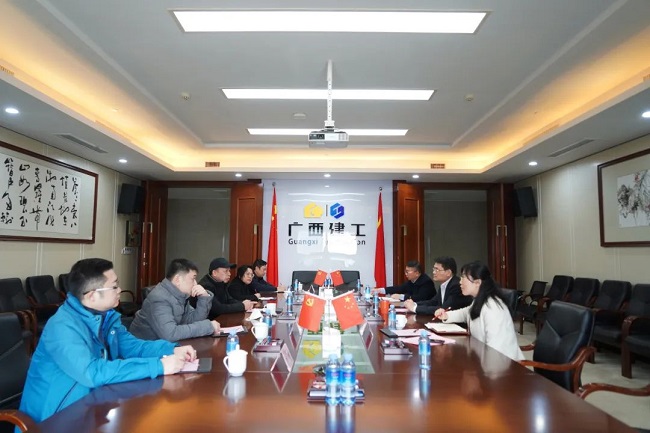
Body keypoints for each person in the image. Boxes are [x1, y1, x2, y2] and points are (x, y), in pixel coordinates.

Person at [19, 258, 196, 423]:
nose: (119, 290)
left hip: (92, 406)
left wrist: (171, 349)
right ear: (92, 296)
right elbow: (92, 372)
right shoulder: (62, 327)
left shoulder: (106, 316)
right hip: (53, 419)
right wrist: (158, 366)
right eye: (114, 286)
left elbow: (133, 347)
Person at [434, 261, 524, 360]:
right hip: (480, 357)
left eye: (463, 277)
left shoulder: (493, 308)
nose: (460, 282)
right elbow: (466, 313)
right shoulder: (480, 299)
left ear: (477, 282)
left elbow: (496, 351)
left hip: (503, 364)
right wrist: (446, 315)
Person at [130, 258, 221, 341]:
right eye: (193, 279)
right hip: (145, 349)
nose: (195, 283)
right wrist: (208, 326)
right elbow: (170, 334)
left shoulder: (180, 295)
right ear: (178, 279)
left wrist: (204, 297)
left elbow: (194, 320)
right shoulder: (159, 299)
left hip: (164, 345)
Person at [404, 256, 472, 314]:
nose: (433, 272)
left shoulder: (456, 286)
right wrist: (414, 304)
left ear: (448, 272)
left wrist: (415, 308)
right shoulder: (444, 284)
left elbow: (444, 309)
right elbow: (433, 302)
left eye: (437, 270)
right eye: (434, 269)